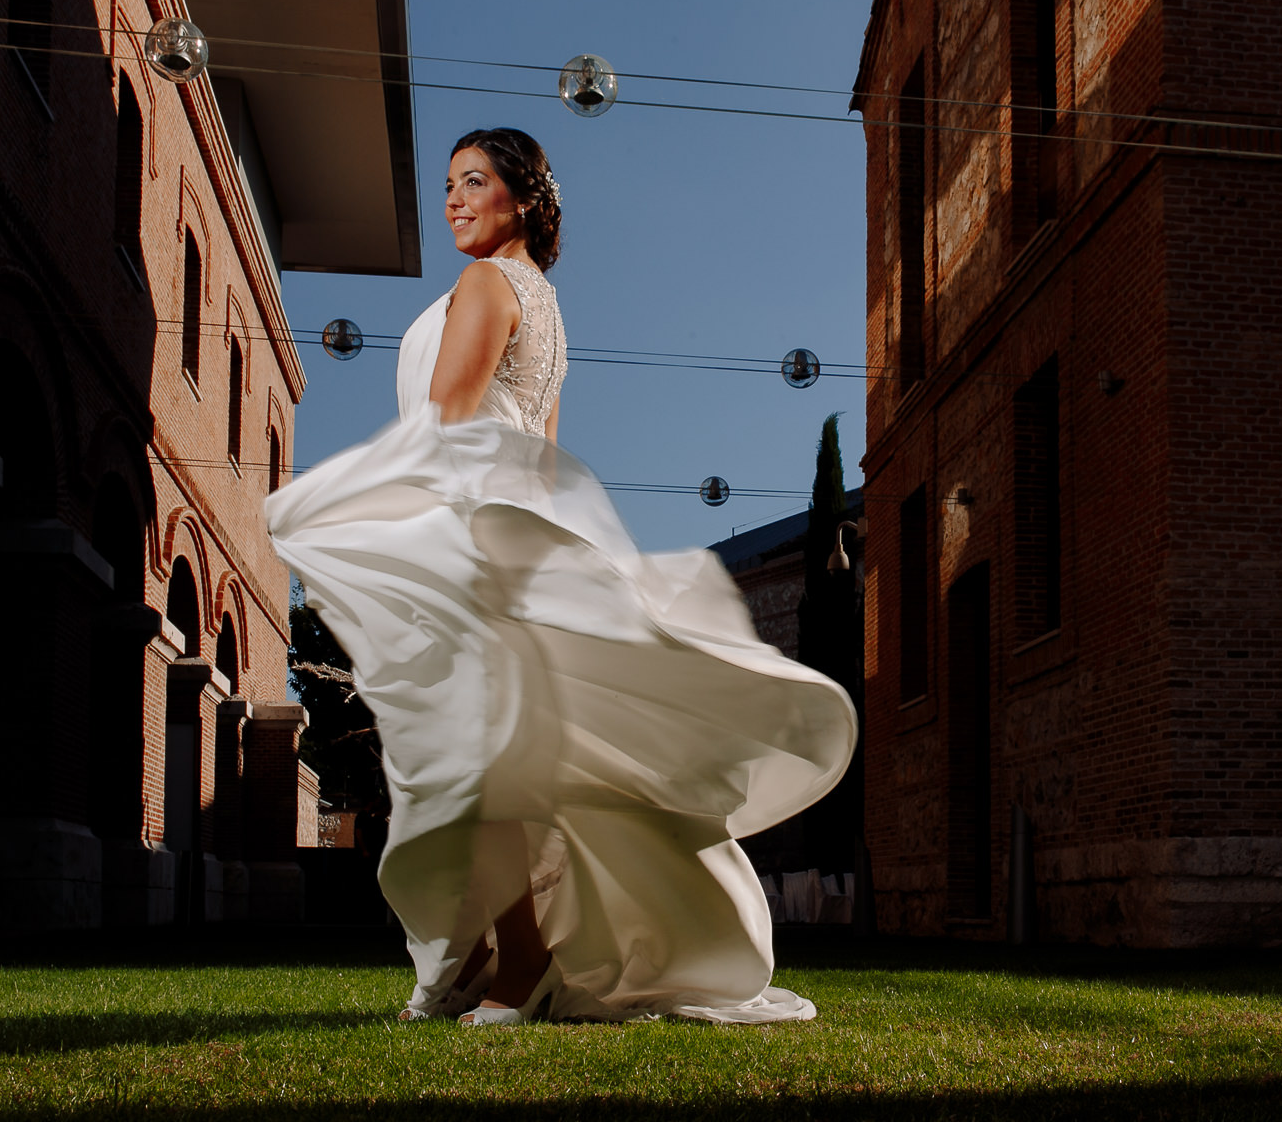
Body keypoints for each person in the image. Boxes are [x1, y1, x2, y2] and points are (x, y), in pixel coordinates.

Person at [265, 127, 857, 1025]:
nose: (453, 200)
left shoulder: (484, 284)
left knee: (485, 760)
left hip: (473, 535)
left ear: (524, 202)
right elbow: (542, 455)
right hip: (517, 535)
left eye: (474, 182)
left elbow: (448, 423)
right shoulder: (547, 308)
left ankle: (517, 964)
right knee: (501, 760)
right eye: (449, 185)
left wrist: (368, 516)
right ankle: (488, 959)